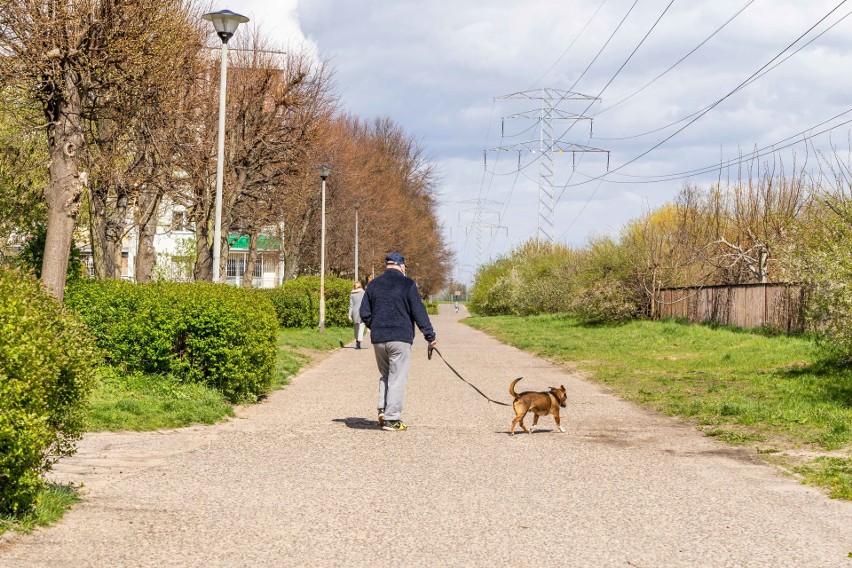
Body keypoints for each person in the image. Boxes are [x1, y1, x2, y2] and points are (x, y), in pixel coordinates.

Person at [359, 252, 437, 431]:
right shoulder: (407, 284)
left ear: (387, 265)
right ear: (401, 266)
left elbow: (364, 313)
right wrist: (430, 336)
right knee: (397, 377)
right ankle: (391, 419)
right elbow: (419, 312)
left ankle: (382, 409)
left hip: (379, 339)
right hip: (400, 338)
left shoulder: (374, 284)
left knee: (386, 375)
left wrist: (376, 325)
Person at [348, 280, 366, 349]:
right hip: (362, 311)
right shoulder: (363, 293)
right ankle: (359, 342)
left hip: (354, 312)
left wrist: (349, 315)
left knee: (356, 327)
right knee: (361, 326)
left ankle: (356, 339)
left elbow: (351, 305)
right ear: (360, 286)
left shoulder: (352, 294)